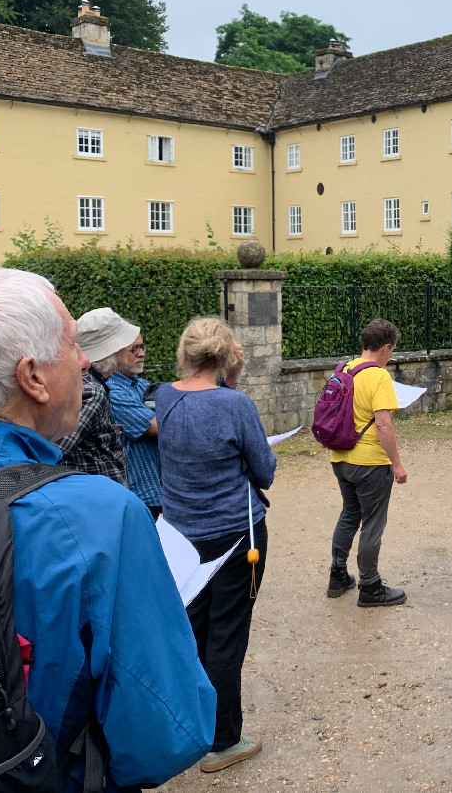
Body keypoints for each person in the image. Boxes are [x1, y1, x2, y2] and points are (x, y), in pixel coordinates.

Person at [0, 268, 215, 790]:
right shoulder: (97, 517)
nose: (86, 359)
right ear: (33, 377)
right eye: (72, 345)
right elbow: (167, 737)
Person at [155, 317, 277, 772]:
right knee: (226, 638)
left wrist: (229, 379)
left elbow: (201, 401)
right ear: (226, 356)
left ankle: (191, 727)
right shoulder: (236, 404)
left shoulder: (165, 396)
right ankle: (222, 740)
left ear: (186, 353)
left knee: (195, 633)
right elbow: (264, 471)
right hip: (236, 535)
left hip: (183, 537)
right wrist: (234, 384)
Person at [327, 318, 409, 607]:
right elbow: (383, 425)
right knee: (373, 522)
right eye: (392, 350)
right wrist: (396, 463)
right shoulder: (379, 377)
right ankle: (370, 587)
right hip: (370, 463)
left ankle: (337, 575)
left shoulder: (343, 369)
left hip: (341, 457)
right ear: (386, 348)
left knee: (350, 513)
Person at [56, 307, 133, 485]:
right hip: (98, 501)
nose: (129, 348)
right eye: (124, 344)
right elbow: (55, 449)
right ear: (113, 350)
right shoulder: (91, 390)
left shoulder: (91, 383)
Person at [105, 331, 163, 518]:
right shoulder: (112, 390)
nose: (142, 353)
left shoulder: (140, 384)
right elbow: (156, 427)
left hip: (153, 490)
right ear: (113, 353)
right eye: (134, 349)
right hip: (136, 494)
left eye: (142, 347)